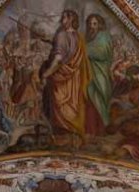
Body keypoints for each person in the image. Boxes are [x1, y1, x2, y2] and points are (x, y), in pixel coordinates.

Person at [41, 10, 93, 139]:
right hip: (74, 78)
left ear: (71, 19)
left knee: (59, 104)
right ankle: (73, 131)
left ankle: (62, 133)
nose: (61, 20)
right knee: (72, 104)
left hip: (61, 76)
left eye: (64, 18)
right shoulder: (78, 36)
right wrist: (51, 42)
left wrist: (45, 74)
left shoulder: (61, 35)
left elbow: (58, 60)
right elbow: (70, 50)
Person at [84, 14, 113, 133]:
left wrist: (85, 49)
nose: (92, 26)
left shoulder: (104, 36)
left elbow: (103, 53)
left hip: (100, 73)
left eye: (95, 23)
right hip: (90, 73)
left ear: (100, 24)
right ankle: (91, 129)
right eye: (90, 24)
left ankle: (101, 128)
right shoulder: (90, 37)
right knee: (90, 102)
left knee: (99, 99)